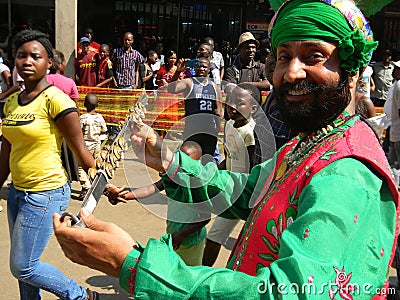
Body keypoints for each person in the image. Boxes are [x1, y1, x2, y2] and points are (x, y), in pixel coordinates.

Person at [54, 1, 399, 298]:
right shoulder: (308, 142)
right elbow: (246, 191)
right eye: (283, 56)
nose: (292, 72)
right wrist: (168, 159)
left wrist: (129, 264)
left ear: (351, 72)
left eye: (314, 56)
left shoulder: (348, 173)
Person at [1, 29, 97, 300]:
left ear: (48, 63)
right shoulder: (11, 102)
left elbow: (80, 148)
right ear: (14, 61)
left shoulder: (56, 99)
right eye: (21, 56)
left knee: (23, 265)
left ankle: (78, 295)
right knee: (26, 265)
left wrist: (101, 178)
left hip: (46, 193)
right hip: (17, 193)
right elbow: (6, 150)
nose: (27, 61)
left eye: (35, 56)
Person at [106, 141, 210, 266]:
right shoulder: (172, 177)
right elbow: (150, 188)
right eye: (179, 158)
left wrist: (181, 235)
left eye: (186, 159)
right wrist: (126, 196)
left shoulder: (197, 184)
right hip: (173, 235)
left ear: (196, 163)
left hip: (191, 241)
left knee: (190, 273)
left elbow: (205, 218)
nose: (181, 163)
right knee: (173, 270)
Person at [202, 83, 259, 267]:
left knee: (250, 240)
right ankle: (202, 274)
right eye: (230, 101)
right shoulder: (229, 125)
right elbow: (229, 156)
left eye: (239, 103)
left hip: (245, 193)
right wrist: (216, 174)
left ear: (253, 108)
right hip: (231, 189)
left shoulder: (251, 132)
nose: (232, 106)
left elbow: (253, 167)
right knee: (214, 236)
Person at [167, 56, 222, 161]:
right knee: (189, 160)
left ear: (209, 69)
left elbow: (218, 109)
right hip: (192, 129)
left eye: (204, 67)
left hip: (208, 130)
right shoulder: (189, 82)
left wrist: (218, 128)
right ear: (194, 68)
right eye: (199, 66)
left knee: (207, 161)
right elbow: (171, 89)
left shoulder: (214, 87)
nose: (201, 69)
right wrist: (178, 72)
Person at [46, 49, 80, 182]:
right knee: (66, 156)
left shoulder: (43, 80)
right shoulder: (69, 82)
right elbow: (75, 106)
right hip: (66, 125)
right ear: (60, 65)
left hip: (48, 124)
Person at [78, 93, 108, 199]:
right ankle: (94, 185)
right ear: (98, 105)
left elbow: (78, 131)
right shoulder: (100, 117)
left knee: (81, 166)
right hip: (97, 144)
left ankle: (86, 187)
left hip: (86, 145)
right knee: (94, 165)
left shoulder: (83, 118)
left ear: (84, 104)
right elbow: (104, 130)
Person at [389, 61, 400, 168]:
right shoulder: (396, 84)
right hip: (394, 129)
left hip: (397, 131)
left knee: (396, 165)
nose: (393, 70)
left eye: (396, 68)